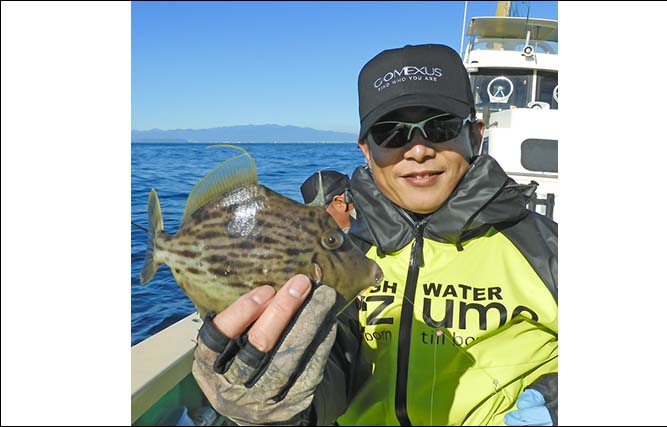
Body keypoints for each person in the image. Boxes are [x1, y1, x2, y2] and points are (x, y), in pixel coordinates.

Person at [191, 44, 558, 426]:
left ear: (475, 135)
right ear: (366, 151)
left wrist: (551, 409)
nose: (418, 150)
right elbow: (330, 371)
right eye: (391, 133)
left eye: (440, 127)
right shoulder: (345, 259)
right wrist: (277, 404)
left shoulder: (546, 249)